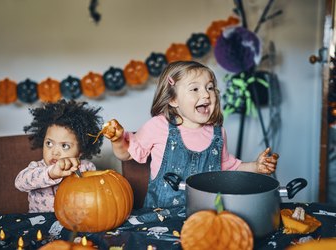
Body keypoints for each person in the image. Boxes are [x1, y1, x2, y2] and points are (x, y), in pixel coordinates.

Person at [103, 60, 279, 212]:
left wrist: (256, 166)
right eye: (194, 88)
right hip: (160, 218)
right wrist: (118, 140)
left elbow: (227, 167)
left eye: (210, 88)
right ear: (173, 100)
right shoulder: (158, 126)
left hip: (207, 216)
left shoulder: (218, 133)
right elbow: (125, 154)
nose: (205, 94)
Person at [15, 99, 104, 212]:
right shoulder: (37, 168)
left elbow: (97, 195)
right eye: (49, 143)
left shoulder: (86, 168)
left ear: (80, 151)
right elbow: (19, 183)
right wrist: (50, 173)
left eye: (65, 146)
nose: (55, 152)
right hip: (41, 223)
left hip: (76, 220)